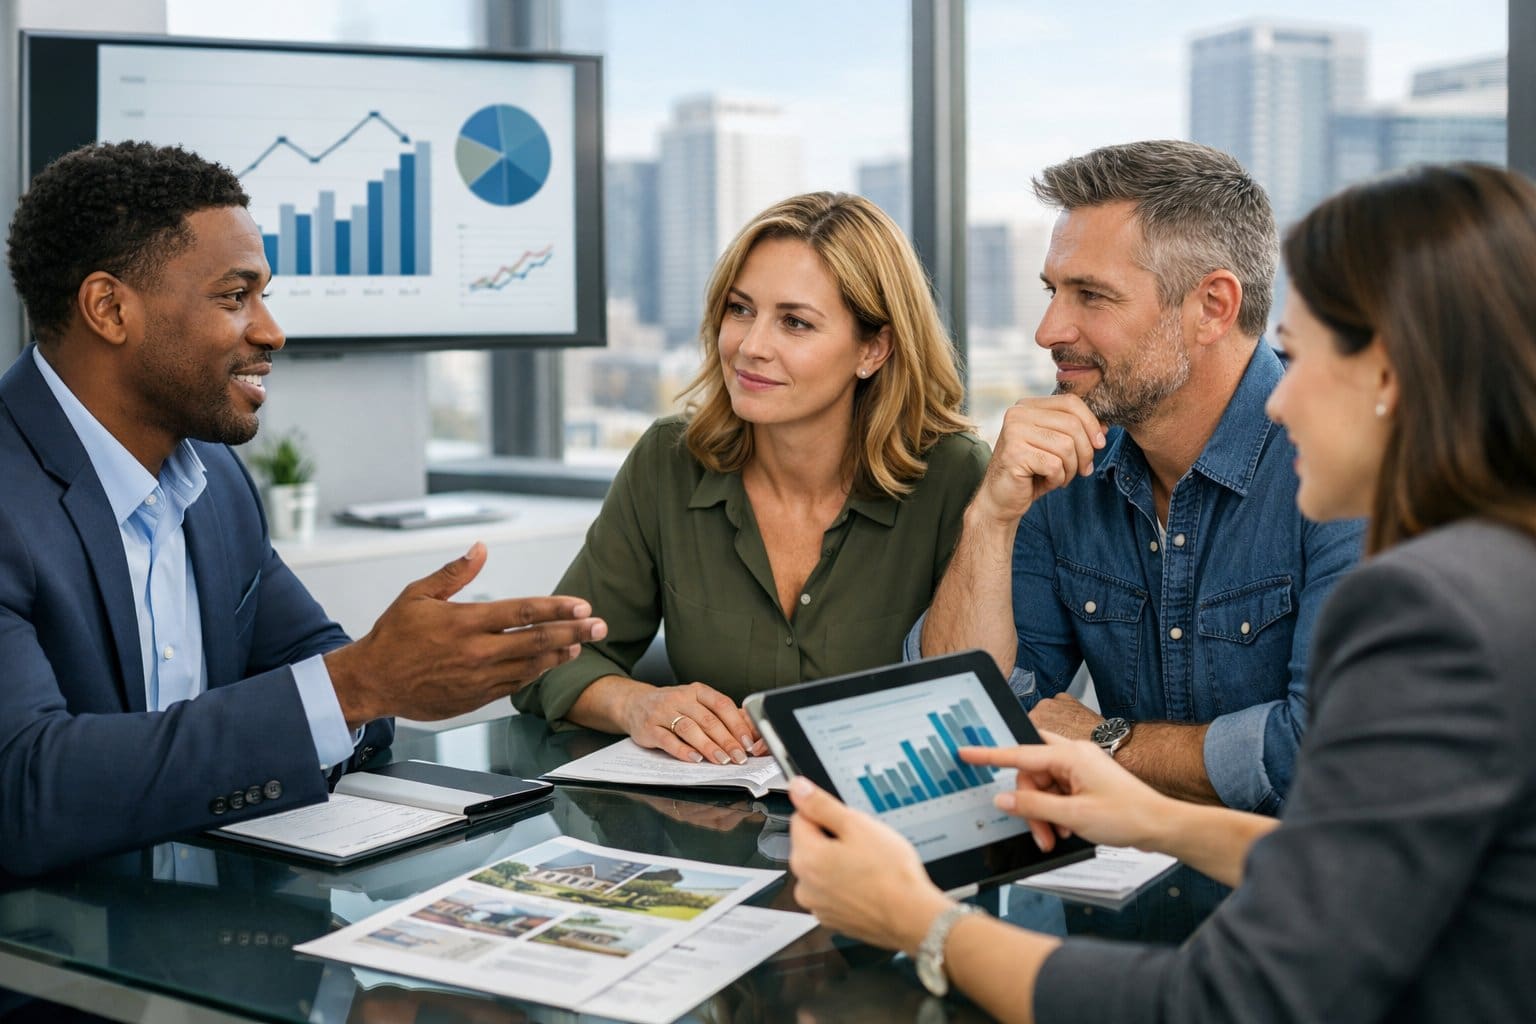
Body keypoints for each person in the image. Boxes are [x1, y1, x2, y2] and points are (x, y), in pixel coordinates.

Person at [788, 161, 1536, 1022]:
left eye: (1299, 359)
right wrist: (1154, 816)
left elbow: (1229, 1000)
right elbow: (1367, 863)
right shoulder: (1500, 564)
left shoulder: (1424, 604)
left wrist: (920, 923)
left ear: (1390, 380)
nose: (1283, 404)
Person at [0, 141, 607, 878]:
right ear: (109, 308)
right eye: (235, 296)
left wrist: (389, 671)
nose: (271, 331)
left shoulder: (215, 482)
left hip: (219, 928)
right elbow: (26, 790)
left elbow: (331, 677)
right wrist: (359, 683)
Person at [912, 140, 1362, 813]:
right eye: (1052, 291)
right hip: (1109, 907)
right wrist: (991, 518)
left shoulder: (1344, 464)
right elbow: (962, 720)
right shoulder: (1063, 466)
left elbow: (1322, 752)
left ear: (1212, 305)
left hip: (1293, 906)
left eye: (1090, 295)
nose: (1047, 330)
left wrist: (1103, 741)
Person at [514, 192, 987, 764]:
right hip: (709, 824)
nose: (751, 346)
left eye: (795, 322)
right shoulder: (670, 460)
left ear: (874, 348)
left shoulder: (955, 476)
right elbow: (548, 659)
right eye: (740, 309)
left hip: (887, 833)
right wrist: (635, 704)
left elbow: (981, 697)